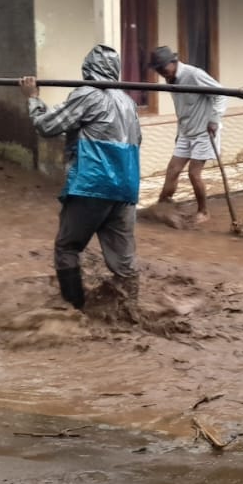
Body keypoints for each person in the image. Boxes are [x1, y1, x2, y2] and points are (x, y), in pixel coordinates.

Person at [20, 45, 142, 310]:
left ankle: (73, 314)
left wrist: (33, 97)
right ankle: (132, 313)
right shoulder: (128, 102)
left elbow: (47, 126)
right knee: (125, 264)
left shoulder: (87, 95)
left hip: (93, 185)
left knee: (67, 247)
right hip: (126, 189)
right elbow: (138, 141)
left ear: (87, 71)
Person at [149, 45, 227, 226]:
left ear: (173, 62)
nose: (161, 72)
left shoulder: (194, 74)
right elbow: (182, 109)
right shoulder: (170, 80)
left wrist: (214, 118)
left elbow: (221, 93)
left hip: (205, 131)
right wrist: (179, 132)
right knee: (173, 170)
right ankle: (162, 205)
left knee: (194, 173)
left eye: (163, 68)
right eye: (158, 69)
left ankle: (203, 211)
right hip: (186, 131)